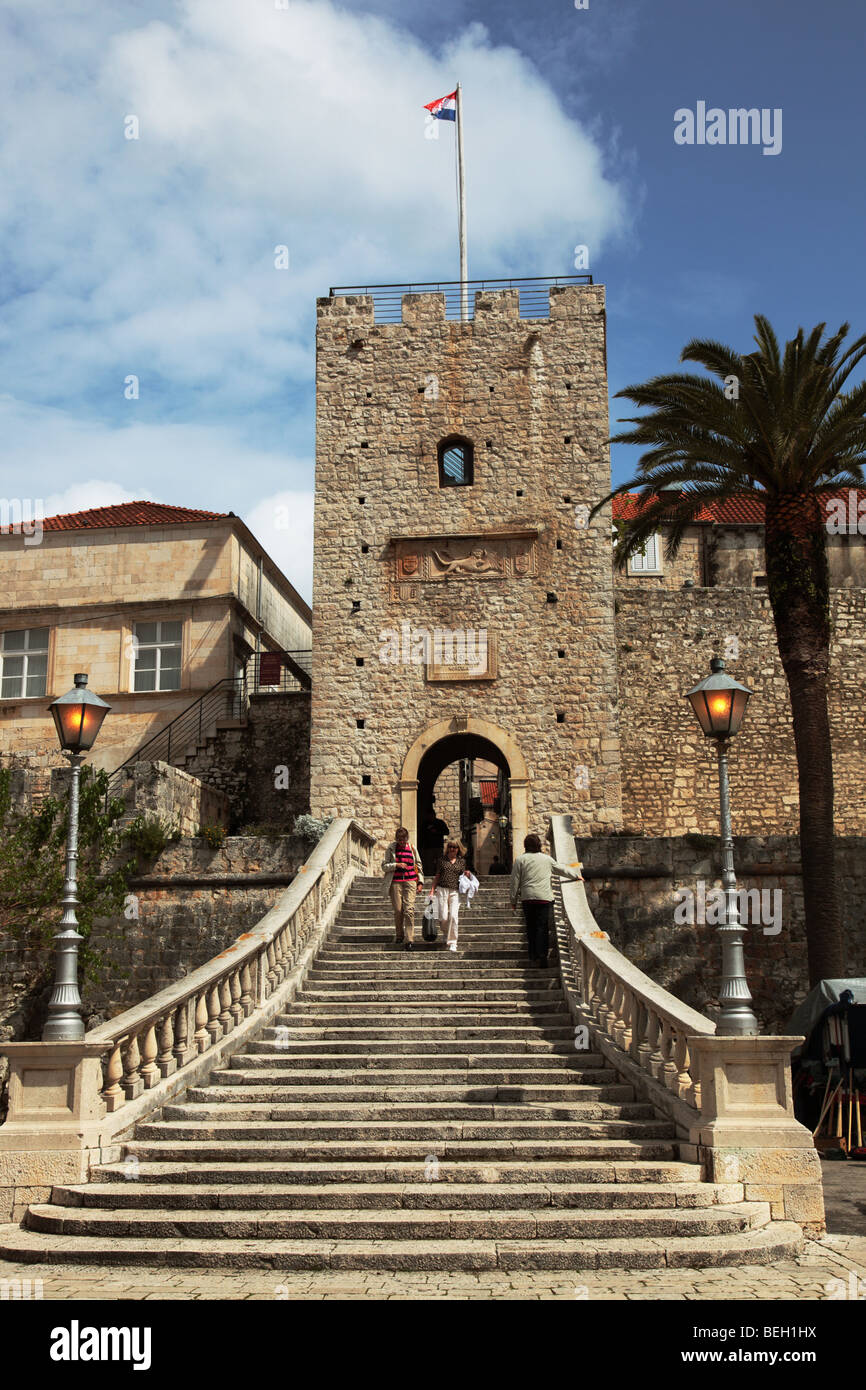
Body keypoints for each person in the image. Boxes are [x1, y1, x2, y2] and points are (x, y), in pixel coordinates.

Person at [509, 833, 583, 969]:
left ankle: (533, 956)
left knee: (530, 928)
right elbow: (561, 869)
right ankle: (543, 956)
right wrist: (576, 875)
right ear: (539, 845)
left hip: (528, 899)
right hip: (544, 899)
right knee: (542, 928)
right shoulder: (547, 859)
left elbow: (514, 882)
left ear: (525, 845)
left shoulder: (520, 860)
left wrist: (513, 900)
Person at [383, 826, 423, 950]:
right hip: (396, 882)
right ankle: (399, 935)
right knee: (399, 911)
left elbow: (418, 865)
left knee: (409, 910)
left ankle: (410, 939)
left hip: (410, 881)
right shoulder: (391, 849)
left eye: (404, 839)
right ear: (396, 838)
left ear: (407, 838)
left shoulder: (412, 848)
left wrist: (420, 881)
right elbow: (384, 866)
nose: (402, 841)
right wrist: (396, 865)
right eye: (399, 839)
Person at [429, 840, 467, 952]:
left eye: (455, 847)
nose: (452, 849)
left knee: (454, 917)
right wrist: (432, 890)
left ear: (458, 849)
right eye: (450, 847)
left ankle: (452, 942)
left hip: (455, 891)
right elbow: (437, 876)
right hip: (442, 890)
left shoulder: (461, 862)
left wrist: (467, 875)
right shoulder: (441, 860)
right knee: (443, 917)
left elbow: (463, 877)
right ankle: (446, 933)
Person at [420, 806, 450, 875]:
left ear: (434, 815)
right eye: (429, 815)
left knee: (439, 863)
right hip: (428, 847)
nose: (430, 817)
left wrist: (437, 832)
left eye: (431, 815)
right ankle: (430, 876)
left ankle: (439, 876)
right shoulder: (425, 824)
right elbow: (421, 835)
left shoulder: (440, 823)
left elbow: (447, 832)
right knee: (429, 863)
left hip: (438, 846)